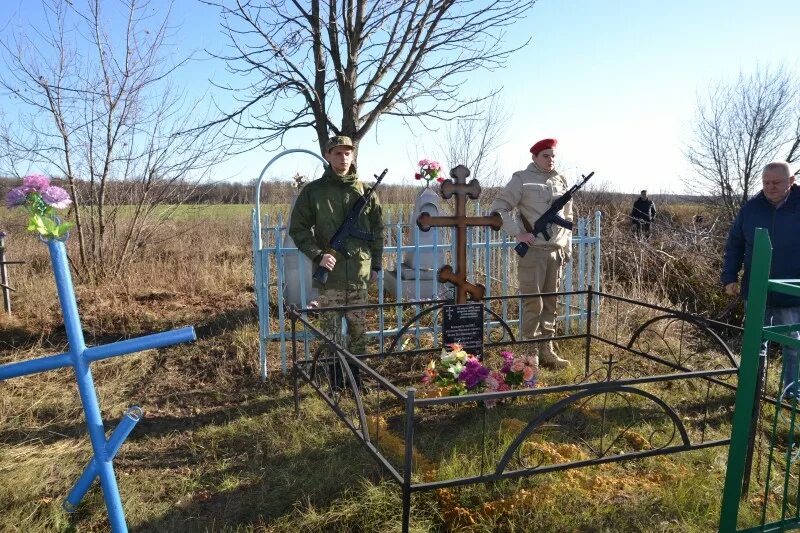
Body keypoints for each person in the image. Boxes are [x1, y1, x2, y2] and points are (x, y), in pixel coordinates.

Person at [289, 135, 384, 389]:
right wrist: (319, 255)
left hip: (358, 275)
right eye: (338, 153)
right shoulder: (314, 192)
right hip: (329, 276)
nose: (343, 158)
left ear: (353, 156)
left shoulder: (365, 192)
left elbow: (377, 232)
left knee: (358, 333)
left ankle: (357, 382)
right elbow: (298, 230)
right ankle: (336, 383)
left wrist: (376, 265)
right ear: (328, 155)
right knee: (330, 335)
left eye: (347, 153)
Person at [490, 138, 572, 370]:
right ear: (534, 157)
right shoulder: (521, 179)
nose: (550, 159)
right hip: (533, 252)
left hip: (555, 252)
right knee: (532, 303)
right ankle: (530, 353)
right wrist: (518, 233)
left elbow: (569, 218)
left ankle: (548, 349)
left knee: (551, 303)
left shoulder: (561, 180)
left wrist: (566, 248)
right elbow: (499, 208)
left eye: (553, 155)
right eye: (545, 155)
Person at [722, 161, 800, 397]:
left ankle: (792, 392)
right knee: (755, 343)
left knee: (793, 345)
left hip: (791, 289)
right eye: (766, 182)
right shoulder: (751, 208)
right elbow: (735, 243)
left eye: (776, 182)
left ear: (792, 181)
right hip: (756, 289)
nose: (770, 187)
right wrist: (729, 277)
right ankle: (752, 390)